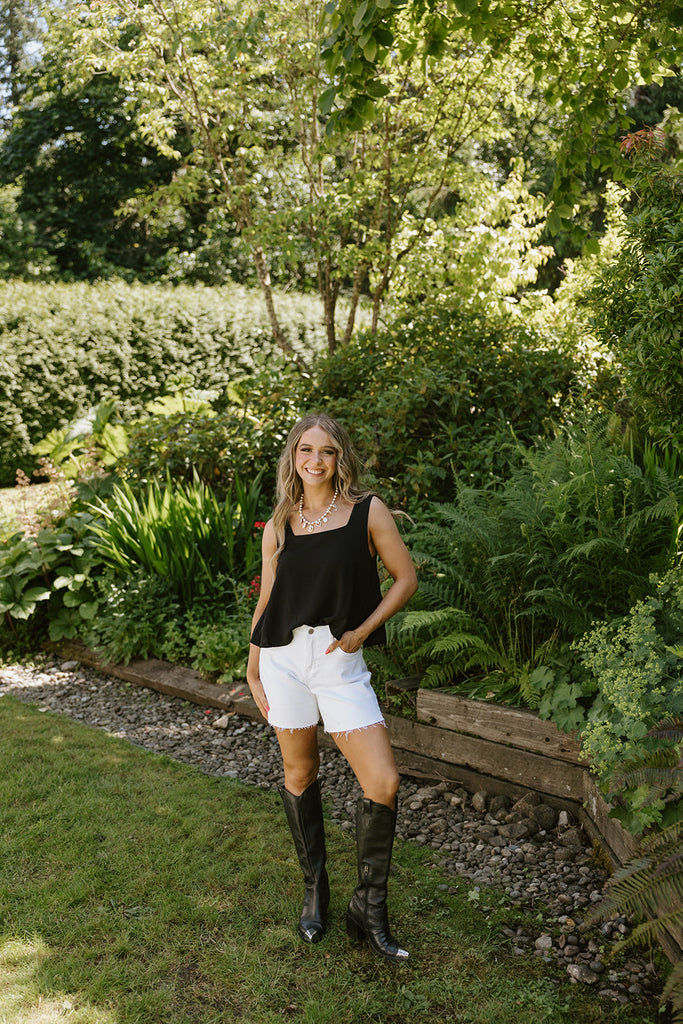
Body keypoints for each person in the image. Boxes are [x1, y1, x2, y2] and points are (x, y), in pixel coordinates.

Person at [246, 413, 418, 962]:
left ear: (341, 457)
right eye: (304, 451)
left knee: (383, 780)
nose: (315, 462)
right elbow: (268, 596)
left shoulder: (369, 512)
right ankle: (315, 890)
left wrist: (363, 630)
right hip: (283, 661)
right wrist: (252, 665)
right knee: (299, 772)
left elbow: (405, 579)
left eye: (326, 452)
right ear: (292, 458)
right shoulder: (280, 523)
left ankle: (367, 907)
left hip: (341, 661)